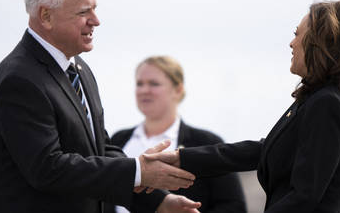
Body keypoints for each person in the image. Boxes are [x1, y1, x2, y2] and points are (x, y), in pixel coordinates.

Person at [0, 0, 201, 213]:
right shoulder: (19, 80)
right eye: (84, 12)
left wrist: (159, 201)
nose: (96, 21)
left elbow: (100, 150)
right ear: (46, 16)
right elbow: (48, 169)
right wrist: (138, 171)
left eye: (94, 9)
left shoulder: (78, 68)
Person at [147, 1, 340, 212]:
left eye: (297, 34)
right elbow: (265, 149)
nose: (291, 43)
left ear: (321, 43)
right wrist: (183, 158)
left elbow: (304, 197)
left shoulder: (328, 103)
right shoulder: (323, 99)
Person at [104, 56, 247, 213]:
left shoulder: (206, 142)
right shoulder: (118, 140)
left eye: (154, 83)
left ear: (178, 90)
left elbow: (234, 206)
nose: (144, 90)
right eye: (140, 84)